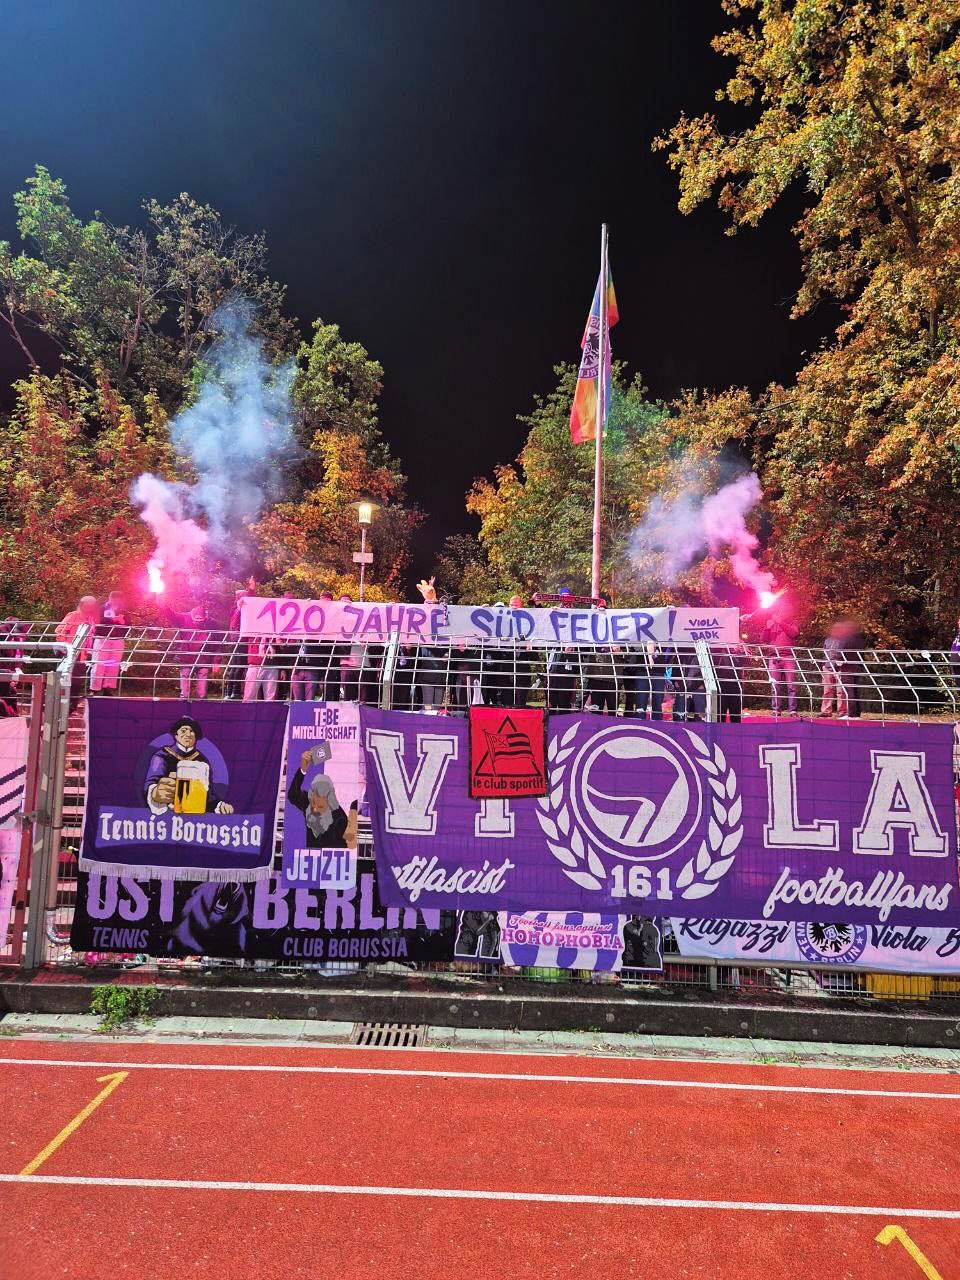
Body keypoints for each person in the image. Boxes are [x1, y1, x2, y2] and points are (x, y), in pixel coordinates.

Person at [144, 715, 233, 815]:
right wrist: (155, 794)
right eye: (183, 730)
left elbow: (207, 794)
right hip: (168, 817)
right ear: (176, 735)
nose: (188, 734)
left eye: (192, 731)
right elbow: (151, 782)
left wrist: (219, 806)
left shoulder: (202, 761)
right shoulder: (162, 756)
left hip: (194, 819)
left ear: (195, 737)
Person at [287, 754, 356, 848]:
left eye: (320, 806)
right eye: (313, 803)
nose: (314, 809)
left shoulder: (339, 817)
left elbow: (342, 848)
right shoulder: (310, 804)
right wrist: (303, 770)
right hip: (308, 859)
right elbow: (293, 795)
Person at [164, 603, 218, 700]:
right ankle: (183, 704)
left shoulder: (212, 624)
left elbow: (217, 644)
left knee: (202, 690)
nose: (197, 623)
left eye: (199, 621)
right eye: (195, 620)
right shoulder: (184, 618)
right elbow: (171, 615)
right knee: (185, 687)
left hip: (203, 658)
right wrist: (163, 604)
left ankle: (202, 706)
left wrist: (216, 660)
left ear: (204, 618)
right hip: (186, 657)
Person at [56, 595, 100, 711]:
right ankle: (61, 707)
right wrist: (64, 647)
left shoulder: (91, 619)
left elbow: (91, 636)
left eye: (92, 606)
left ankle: (72, 707)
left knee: (77, 681)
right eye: (88, 605)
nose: (90, 608)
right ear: (82, 605)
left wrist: (89, 650)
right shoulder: (73, 615)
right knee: (66, 679)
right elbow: (60, 630)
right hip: (70, 653)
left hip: (82, 655)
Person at [760, 597, 799, 716]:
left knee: (791, 685)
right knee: (775, 685)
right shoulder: (771, 623)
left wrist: (780, 622)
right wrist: (767, 627)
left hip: (788, 656)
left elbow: (794, 633)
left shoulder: (793, 622)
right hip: (773, 657)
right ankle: (776, 710)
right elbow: (763, 639)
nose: (784, 612)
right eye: (782, 610)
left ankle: (792, 710)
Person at [89, 590, 129, 696]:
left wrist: (122, 622)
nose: (117, 602)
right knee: (99, 663)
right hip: (102, 639)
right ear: (110, 599)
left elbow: (129, 625)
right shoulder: (101, 609)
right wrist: (111, 619)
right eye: (115, 599)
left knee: (112, 664)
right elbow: (95, 622)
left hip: (117, 639)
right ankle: (95, 688)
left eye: (119, 600)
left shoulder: (124, 612)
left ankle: (108, 688)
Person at [820, 620, 849, 717]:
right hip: (827, 667)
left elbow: (848, 655)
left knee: (841, 692)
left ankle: (842, 712)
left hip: (840, 669)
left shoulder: (845, 640)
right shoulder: (827, 640)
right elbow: (824, 653)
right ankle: (826, 711)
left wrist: (843, 664)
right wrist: (823, 665)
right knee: (827, 691)